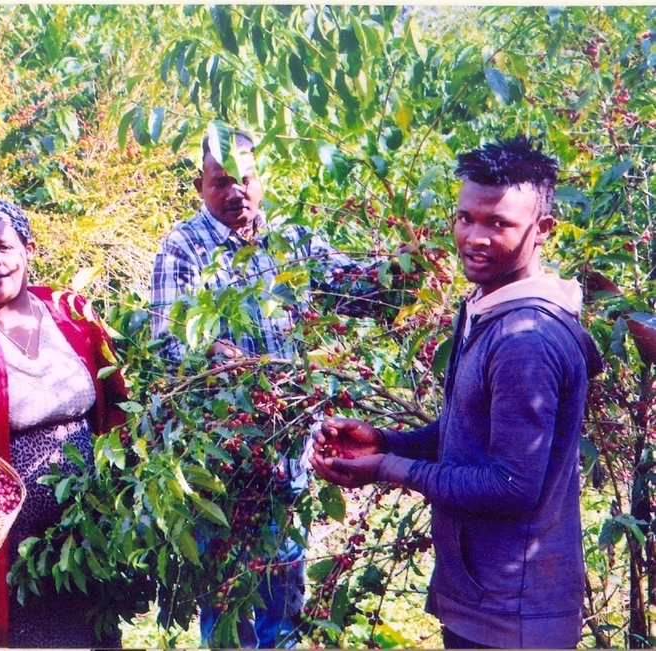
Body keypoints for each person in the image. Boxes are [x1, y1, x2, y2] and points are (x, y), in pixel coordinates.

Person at [311, 135, 604, 649]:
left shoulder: (525, 339)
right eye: (466, 217)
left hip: (513, 614)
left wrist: (386, 469)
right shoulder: (487, 307)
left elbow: (512, 486)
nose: (475, 237)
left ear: (543, 231)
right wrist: (388, 441)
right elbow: (470, 431)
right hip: (482, 597)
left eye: (499, 224)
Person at [150, 127, 384, 648]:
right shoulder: (184, 248)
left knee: (284, 598)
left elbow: (355, 288)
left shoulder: (292, 239)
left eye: (246, 179)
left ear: (263, 180)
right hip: (220, 460)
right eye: (221, 181)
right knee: (230, 606)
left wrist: (408, 263)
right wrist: (215, 355)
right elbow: (168, 343)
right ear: (200, 186)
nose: (236, 192)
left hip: (287, 451)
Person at [0, 198, 128, 648]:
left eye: (3, 247)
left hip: (88, 519)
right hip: (11, 533)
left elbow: (115, 397)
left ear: (28, 248)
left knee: (91, 631)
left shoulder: (71, 309)